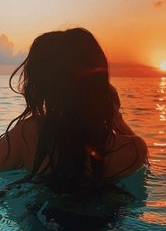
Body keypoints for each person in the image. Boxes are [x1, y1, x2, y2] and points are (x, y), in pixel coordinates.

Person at [0, 28, 147, 194]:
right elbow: (145, 166)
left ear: (42, 87)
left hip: (42, 214)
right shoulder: (133, 150)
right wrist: (116, 118)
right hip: (104, 216)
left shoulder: (28, 134)